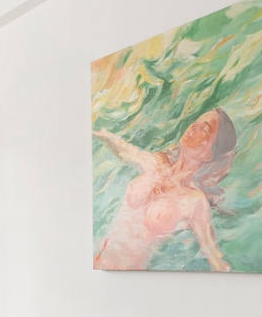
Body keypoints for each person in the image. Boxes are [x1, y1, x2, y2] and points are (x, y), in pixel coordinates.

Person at [93, 108, 237, 271]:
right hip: (97, 264)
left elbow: (214, 256)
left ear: (210, 154)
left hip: (127, 279)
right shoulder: (155, 163)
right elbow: (124, 149)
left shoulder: (195, 202)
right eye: (195, 122)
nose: (193, 128)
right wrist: (101, 133)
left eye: (204, 129)